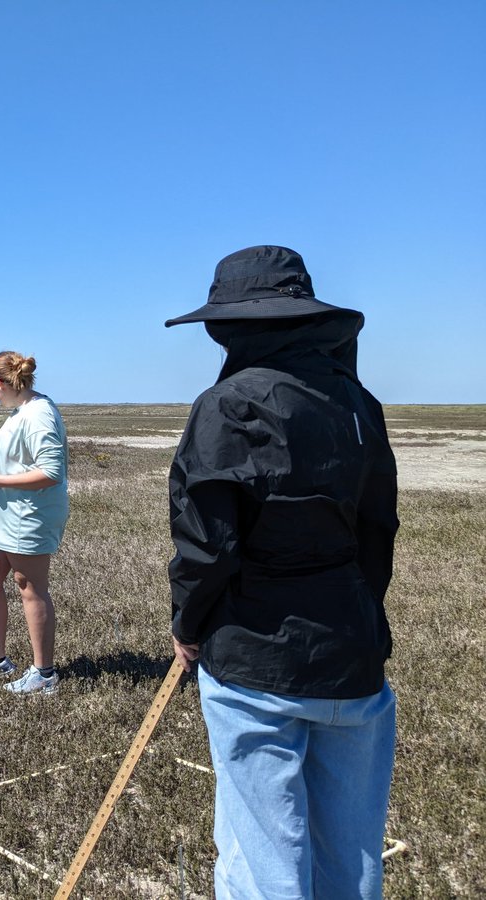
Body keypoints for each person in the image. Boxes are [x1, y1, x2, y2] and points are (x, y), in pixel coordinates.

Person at [165, 246, 399, 899]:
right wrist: (357, 613)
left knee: (263, 864)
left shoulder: (227, 404)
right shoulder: (358, 404)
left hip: (252, 668)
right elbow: (377, 535)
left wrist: (189, 626)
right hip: (353, 656)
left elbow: (206, 545)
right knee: (350, 865)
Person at [0, 351, 70, 694]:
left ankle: (44, 673)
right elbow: (17, 456)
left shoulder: (40, 414)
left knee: (31, 588)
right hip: (2, 517)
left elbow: (51, 472)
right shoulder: (22, 411)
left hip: (28, 518)